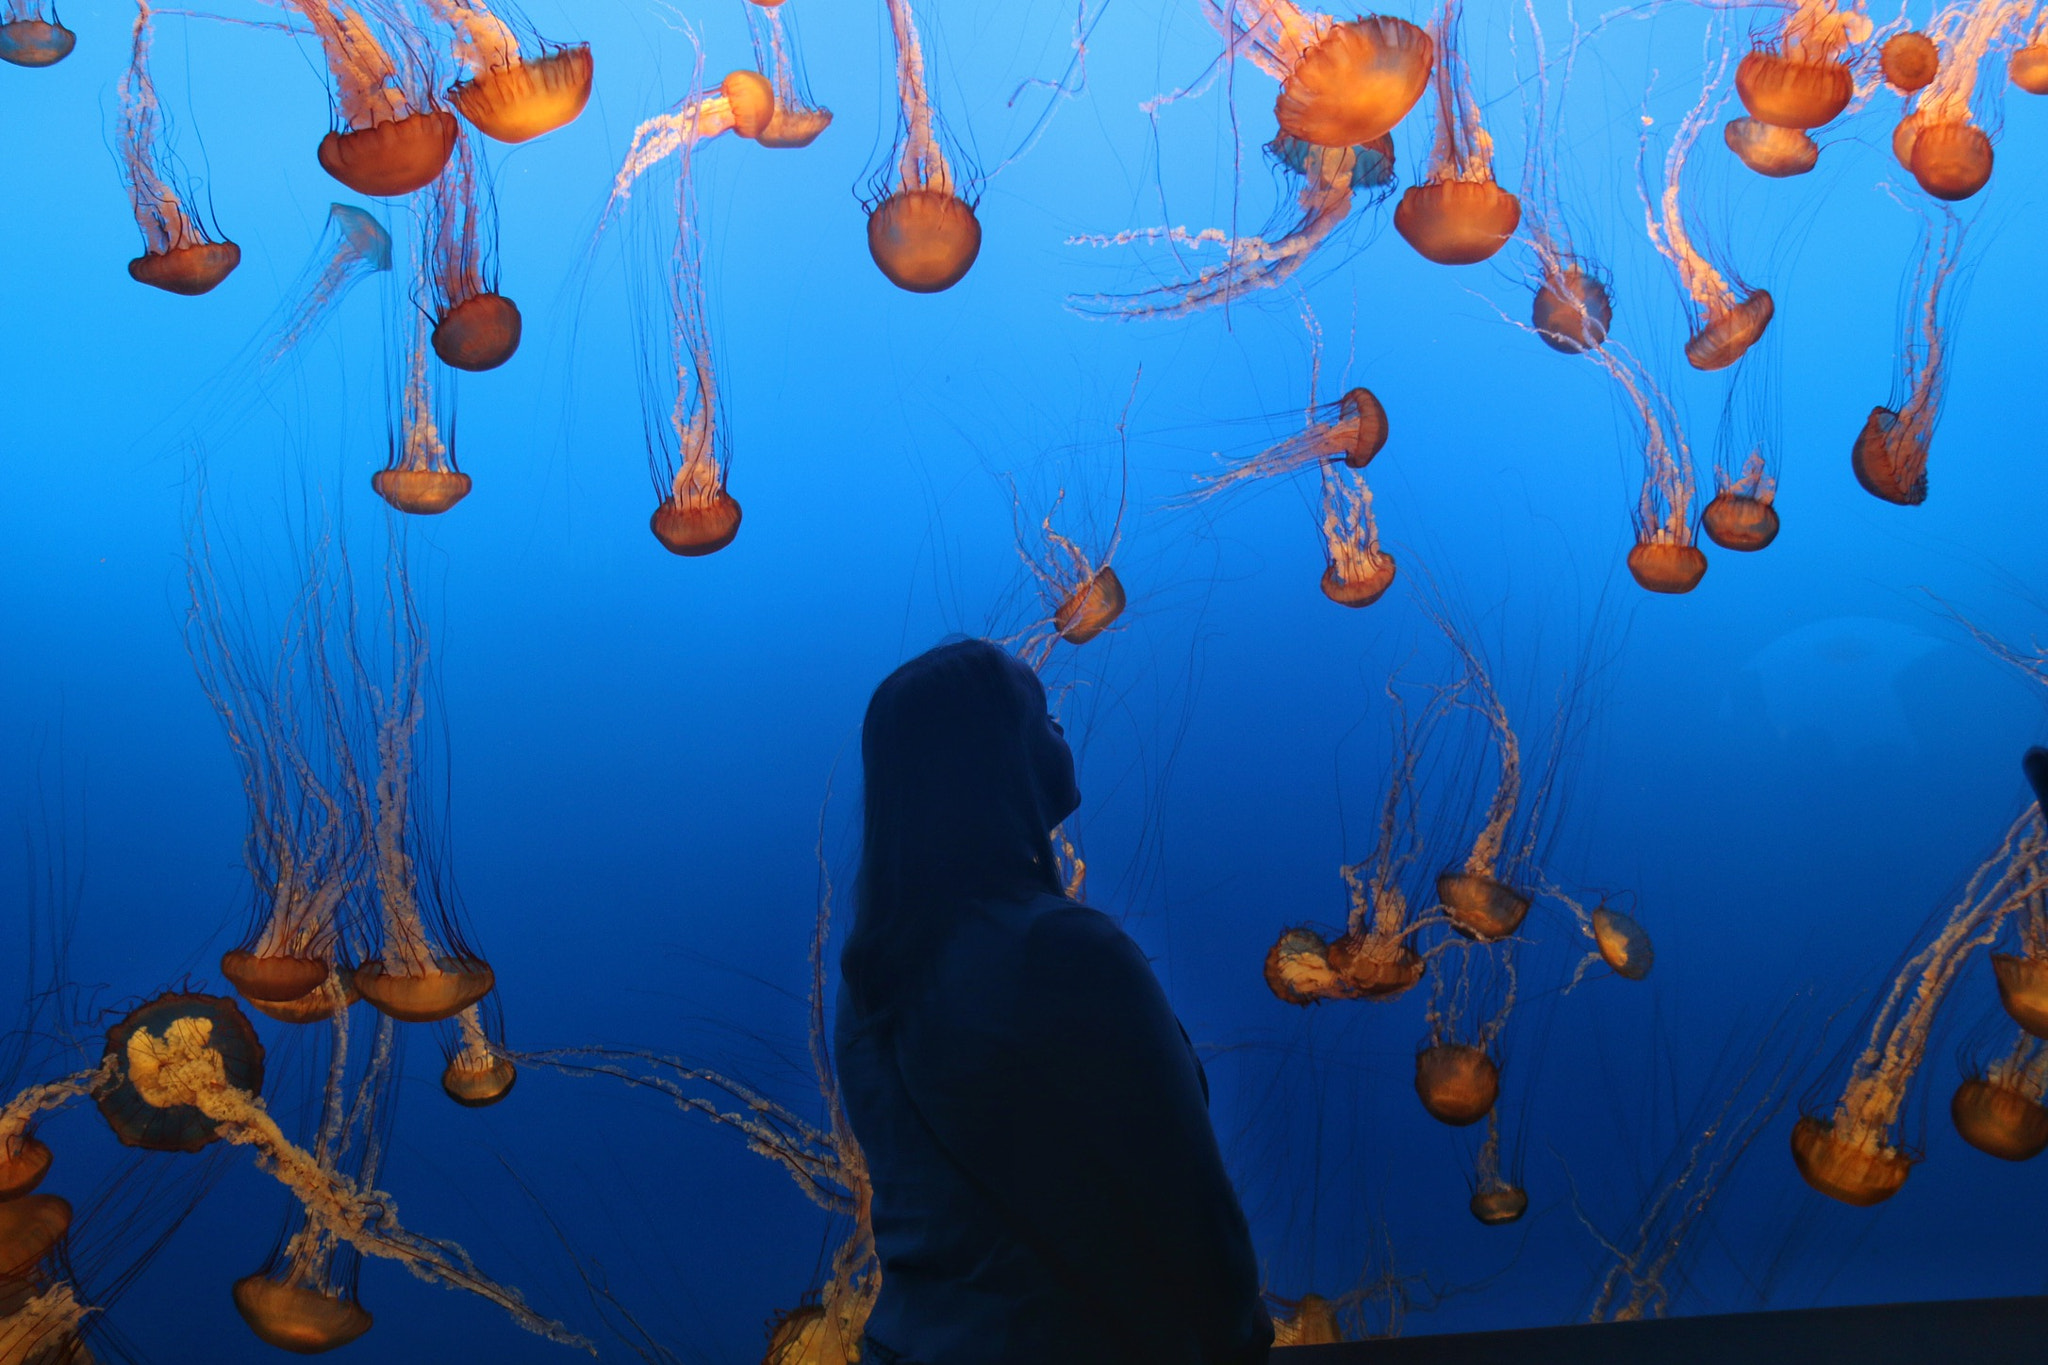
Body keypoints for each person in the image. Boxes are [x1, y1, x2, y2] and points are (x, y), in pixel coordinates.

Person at [835, 639, 1273, 1365]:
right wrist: (1236, 1333)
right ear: (994, 757)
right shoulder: (1066, 952)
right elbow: (1192, 1210)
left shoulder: (868, 983)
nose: (1061, 728)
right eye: (1041, 714)